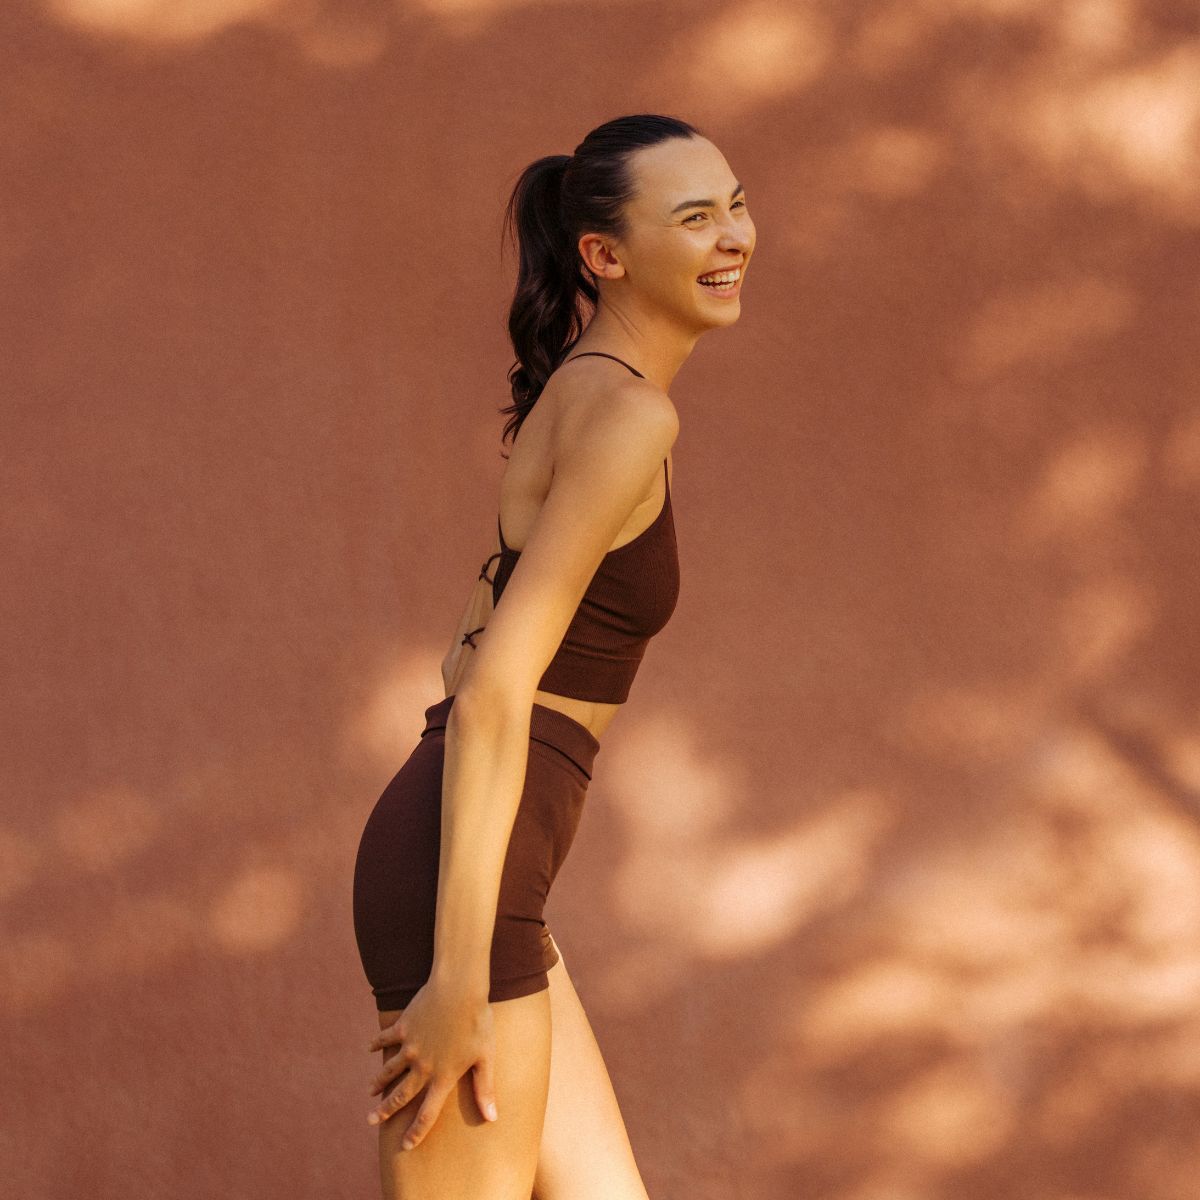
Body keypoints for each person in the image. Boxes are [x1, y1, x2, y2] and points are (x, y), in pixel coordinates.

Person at [351, 113, 756, 1200]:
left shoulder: (588, 390)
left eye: (736, 206)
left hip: (483, 867)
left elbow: (464, 657)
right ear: (604, 255)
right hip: (469, 891)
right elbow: (489, 690)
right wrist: (456, 975)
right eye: (695, 218)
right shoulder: (627, 414)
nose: (733, 237)